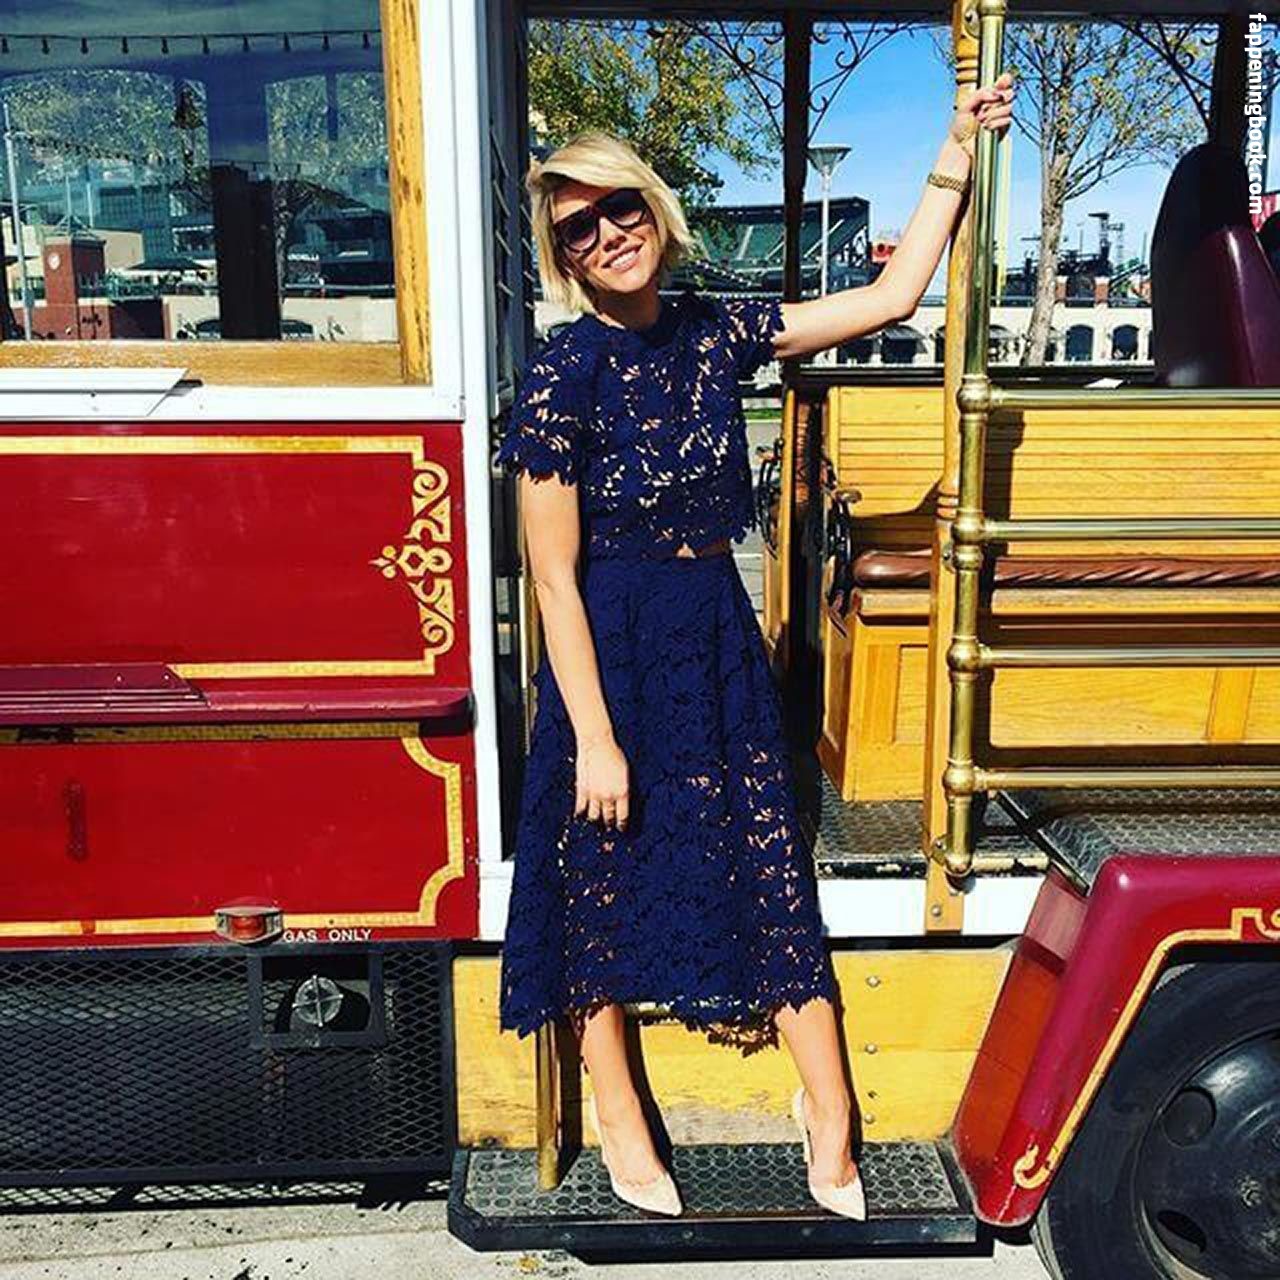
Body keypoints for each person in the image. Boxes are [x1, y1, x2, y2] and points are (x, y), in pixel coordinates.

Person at [494, 73, 1015, 1221]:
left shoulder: (714, 330)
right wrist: (594, 739)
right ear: (563, 257)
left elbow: (889, 296)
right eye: (577, 228)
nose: (606, 235)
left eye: (618, 207)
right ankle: (620, 1116)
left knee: (766, 867)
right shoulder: (562, 373)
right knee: (594, 879)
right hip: (608, 654)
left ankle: (828, 1115)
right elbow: (552, 576)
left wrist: (952, 147)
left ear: (652, 208)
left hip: (713, 641)